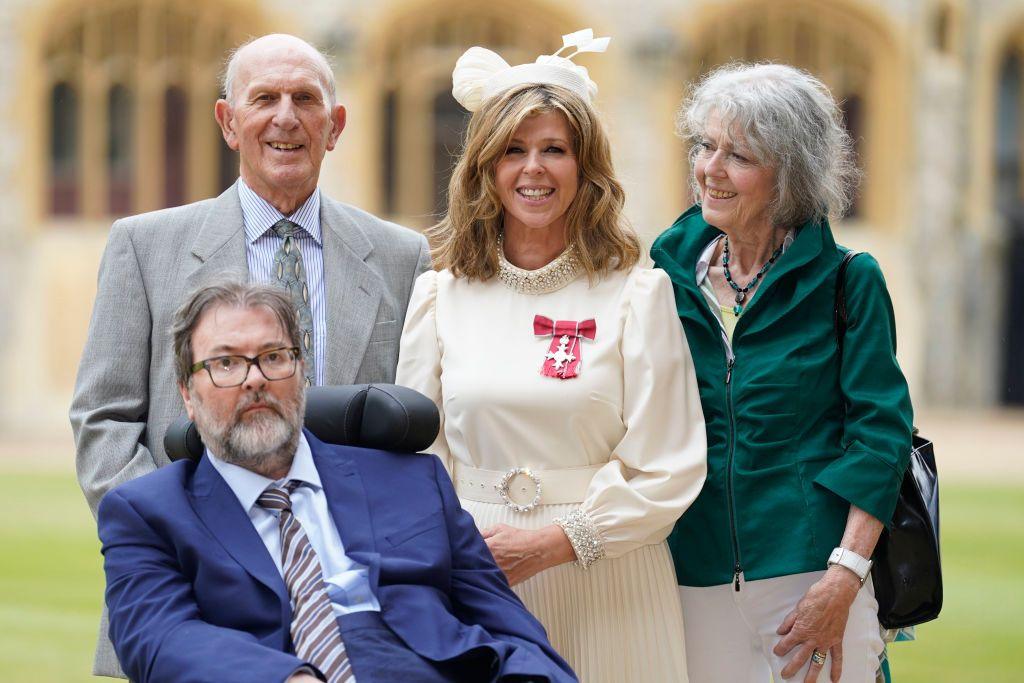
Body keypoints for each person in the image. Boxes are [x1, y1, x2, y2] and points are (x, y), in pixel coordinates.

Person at [71, 34, 429, 676]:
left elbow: (408, 434)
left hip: (356, 607)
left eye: (305, 99)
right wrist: (185, 539)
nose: (285, 117)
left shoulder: (403, 258)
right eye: (263, 98)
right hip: (191, 598)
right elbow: (104, 421)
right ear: (227, 121)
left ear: (336, 125)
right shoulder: (145, 246)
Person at [396, 31, 707, 682]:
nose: (532, 168)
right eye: (514, 149)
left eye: (554, 150)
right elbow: (418, 464)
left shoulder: (637, 294)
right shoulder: (438, 296)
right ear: (485, 166)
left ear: (585, 167)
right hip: (477, 578)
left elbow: (669, 465)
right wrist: (456, 554)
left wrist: (557, 542)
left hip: (612, 580)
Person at [98, 280, 576, 683]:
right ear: (187, 393)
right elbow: (159, 638)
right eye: (225, 363)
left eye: (274, 356)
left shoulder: (412, 479)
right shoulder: (148, 512)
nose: (254, 379)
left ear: (301, 373)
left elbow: (511, 629)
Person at [650, 63, 914, 683]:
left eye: (738, 155)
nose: (711, 169)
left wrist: (844, 578)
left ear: (789, 174)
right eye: (705, 145)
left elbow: (880, 438)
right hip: (692, 575)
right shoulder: (661, 277)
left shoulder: (850, 279)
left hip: (812, 575)